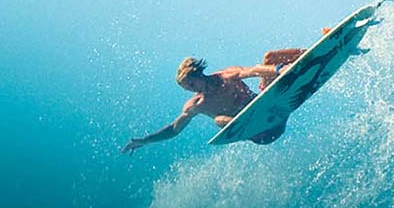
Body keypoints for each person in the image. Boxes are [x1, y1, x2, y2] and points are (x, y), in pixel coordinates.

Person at [121, 47, 310, 152]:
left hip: (273, 115)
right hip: (261, 135)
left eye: (191, 85)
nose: (192, 91)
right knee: (219, 120)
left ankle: (317, 52)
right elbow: (174, 129)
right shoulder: (196, 105)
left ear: (198, 75)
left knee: (269, 57)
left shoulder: (227, 76)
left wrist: (278, 70)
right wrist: (145, 141)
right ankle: (252, 125)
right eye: (188, 89)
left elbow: (252, 71)